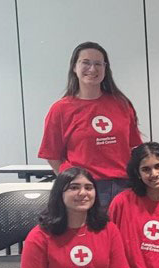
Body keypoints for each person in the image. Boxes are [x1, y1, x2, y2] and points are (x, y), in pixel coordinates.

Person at [39, 42, 143, 208]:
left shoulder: (121, 104)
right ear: (74, 67)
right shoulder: (60, 109)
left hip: (124, 187)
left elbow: (133, 147)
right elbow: (52, 154)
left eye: (98, 64)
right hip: (85, 190)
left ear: (105, 68)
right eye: (86, 63)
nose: (92, 69)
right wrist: (71, 183)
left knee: (122, 234)